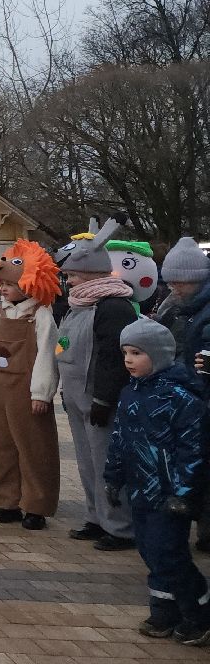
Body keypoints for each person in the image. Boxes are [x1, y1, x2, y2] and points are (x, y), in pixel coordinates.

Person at [104, 317, 210, 644]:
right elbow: (120, 438)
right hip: (141, 488)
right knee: (151, 551)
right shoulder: (131, 393)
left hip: (169, 494)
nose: (129, 360)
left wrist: (183, 492)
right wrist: (113, 476)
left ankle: (199, 612)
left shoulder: (181, 397)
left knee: (170, 552)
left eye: (137, 353)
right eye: (126, 353)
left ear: (159, 354)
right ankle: (163, 610)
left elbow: (193, 449)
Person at [56, 221, 139, 550]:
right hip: (76, 398)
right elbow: (62, 345)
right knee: (86, 461)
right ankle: (95, 516)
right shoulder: (76, 305)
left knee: (107, 464)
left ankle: (119, 527)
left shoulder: (113, 307)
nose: (68, 280)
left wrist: (105, 399)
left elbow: (113, 358)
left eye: (73, 274)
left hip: (100, 401)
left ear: (92, 272)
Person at [0, 240, 62, 530]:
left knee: (34, 449)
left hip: (27, 393)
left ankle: (36, 506)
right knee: (0, 448)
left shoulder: (41, 316)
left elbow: (48, 355)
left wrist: (41, 393)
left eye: (10, 284)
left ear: (29, 283)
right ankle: (6, 501)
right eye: (2, 284)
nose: (4, 289)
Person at [155, 236, 210, 550]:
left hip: (199, 394)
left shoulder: (198, 312)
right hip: (187, 394)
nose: (173, 287)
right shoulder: (180, 307)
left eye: (178, 281)